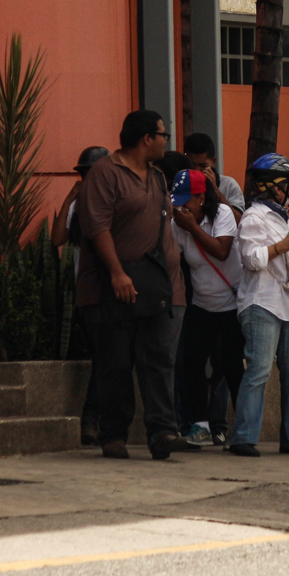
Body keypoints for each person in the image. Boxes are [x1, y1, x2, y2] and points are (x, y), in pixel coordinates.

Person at [75, 110, 189, 460]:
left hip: (158, 285)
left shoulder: (156, 176)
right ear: (146, 139)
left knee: (159, 359)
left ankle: (163, 433)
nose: (166, 141)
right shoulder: (105, 174)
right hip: (119, 285)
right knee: (116, 362)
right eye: (163, 135)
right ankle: (113, 435)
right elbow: (97, 227)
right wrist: (117, 273)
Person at [229, 153, 289, 457]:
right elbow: (251, 260)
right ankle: (243, 438)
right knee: (260, 370)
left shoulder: (280, 217)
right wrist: (283, 246)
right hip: (262, 303)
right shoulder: (253, 217)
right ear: (275, 187)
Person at [170, 169, 246, 446]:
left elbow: (222, 251)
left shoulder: (222, 215)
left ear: (202, 198)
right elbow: (174, 260)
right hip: (201, 304)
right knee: (193, 363)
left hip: (231, 305)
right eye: (177, 200)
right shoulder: (177, 223)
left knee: (231, 365)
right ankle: (200, 426)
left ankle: (242, 428)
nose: (181, 206)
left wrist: (192, 228)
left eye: (186, 199)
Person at [51, 146, 109, 446]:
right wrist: (69, 198)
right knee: (104, 358)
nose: (86, 178)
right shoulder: (78, 206)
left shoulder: (110, 202)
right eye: (84, 174)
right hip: (88, 295)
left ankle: (94, 422)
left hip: (108, 292)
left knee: (106, 359)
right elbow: (57, 239)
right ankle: (91, 421)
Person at [184, 133, 245, 215]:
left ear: (213, 162)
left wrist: (215, 191)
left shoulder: (228, 185)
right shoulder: (179, 183)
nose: (197, 171)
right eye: (192, 165)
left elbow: (239, 221)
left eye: (203, 166)